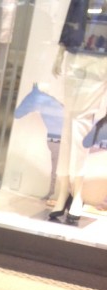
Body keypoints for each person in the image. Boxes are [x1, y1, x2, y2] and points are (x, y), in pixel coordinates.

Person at [48, 0, 107, 225]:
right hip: (75, 53)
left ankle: (78, 191)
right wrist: (61, 50)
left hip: (101, 57)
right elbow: (75, 10)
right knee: (68, 122)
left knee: (81, 124)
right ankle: (64, 190)